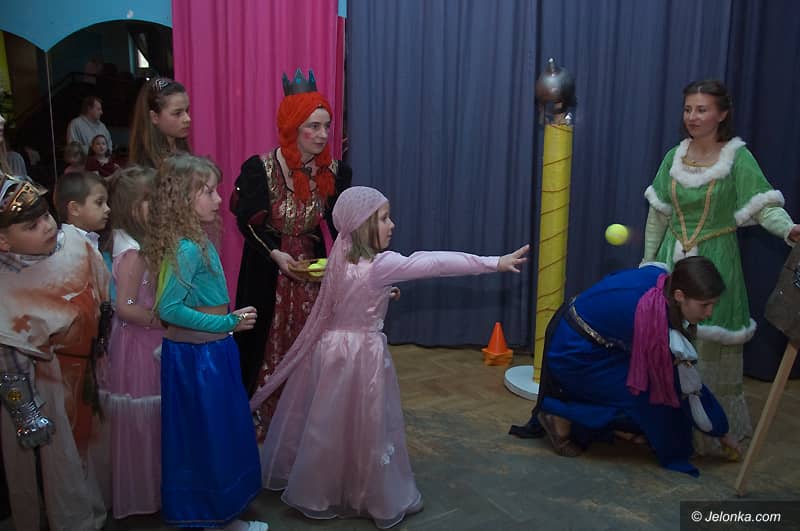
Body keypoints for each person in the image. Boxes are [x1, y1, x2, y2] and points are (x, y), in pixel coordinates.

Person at [248, 186, 530, 529]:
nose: (392, 224)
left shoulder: (339, 256)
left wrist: (382, 293)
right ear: (363, 226)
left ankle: (319, 490)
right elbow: (434, 263)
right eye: (383, 218)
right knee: (366, 424)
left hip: (330, 352)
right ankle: (371, 494)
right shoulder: (381, 265)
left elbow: (348, 297)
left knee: (328, 425)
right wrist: (494, 263)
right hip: (361, 356)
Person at [642, 79, 800, 453]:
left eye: (702, 109)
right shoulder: (674, 156)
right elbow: (659, 213)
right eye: (688, 109)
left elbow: (765, 207)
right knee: (667, 345)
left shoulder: (737, 158)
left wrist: (789, 229)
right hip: (672, 262)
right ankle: (667, 427)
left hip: (715, 263)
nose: (692, 116)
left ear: (722, 114)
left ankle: (710, 433)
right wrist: (649, 263)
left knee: (707, 346)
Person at [510, 257, 739, 476]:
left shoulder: (662, 280)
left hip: (592, 341)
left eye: (713, 304)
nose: (709, 313)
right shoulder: (652, 318)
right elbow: (685, 384)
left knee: (655, 393)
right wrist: (721, 431)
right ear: (680, 295)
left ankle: (623, 426)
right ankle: (558, 413)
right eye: (704, 305)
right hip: (573, 354)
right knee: (653, 395)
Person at [141, 154, 266, 531]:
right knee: (210, 439)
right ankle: (217, 517)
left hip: (209, 352)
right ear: (182, 198)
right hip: (200, 360)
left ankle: (218, 513)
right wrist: (227, 322)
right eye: (209, 192)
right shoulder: (188, 248)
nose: (219, 199)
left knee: (213, 436)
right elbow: (169, 308)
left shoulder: (195, 240)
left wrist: (226, 323)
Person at [232, 68, 351, 418]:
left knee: (312, 340)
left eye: (327, 126)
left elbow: (342, 226)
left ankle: (306, 417)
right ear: (292, 126)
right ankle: (261, 414)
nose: (323, 134)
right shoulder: (260, 168)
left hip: (312, 269)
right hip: (266, 266)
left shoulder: (336, 172)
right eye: (313, 126)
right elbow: (247, 221)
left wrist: (356, 264)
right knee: (262, 341)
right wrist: (276, 254)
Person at [0, 173, 109, 530]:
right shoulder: (6, 287)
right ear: (3, 240)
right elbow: (9, 364)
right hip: (45, 386)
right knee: (58, 463)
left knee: (87, 451)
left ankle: (94, 511)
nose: (47, 226)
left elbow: (100, 293)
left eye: (46, 215)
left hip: (86, 372)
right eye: (31, 226)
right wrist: (27, 415)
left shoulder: (74, 245)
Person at [102, 166, 163, 518]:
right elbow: (125, 307)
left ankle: (153, 488)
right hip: (139, 344)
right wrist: (167, 320)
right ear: (132, 207)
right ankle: (143, 494)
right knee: (142, 421)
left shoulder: (136, 244)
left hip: (146, 338)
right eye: (150, 199)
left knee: (151, 422)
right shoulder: (132, 252)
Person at [128, 78, 191, 168]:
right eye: (177, 113)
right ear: (154, 117)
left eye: (187, 110)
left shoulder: (183, 152)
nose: (187, 119)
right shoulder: (146, 169)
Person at [54, 171, 110, 249]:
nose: (108, 209)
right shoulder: (65, 246)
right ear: (75, 209)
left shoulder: (88, 239)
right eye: (99, 202)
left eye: (106, 202)